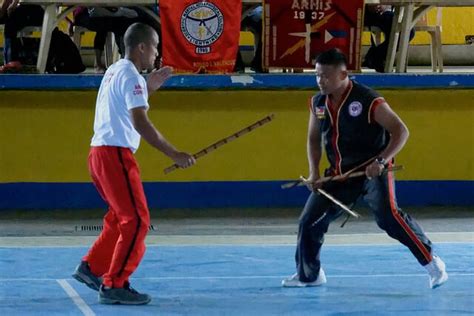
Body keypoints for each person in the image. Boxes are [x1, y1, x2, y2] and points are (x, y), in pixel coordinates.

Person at [281, 48, 448, 289]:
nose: (320, 81)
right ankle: (310, 275)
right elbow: (313, 139)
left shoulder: (368, 99)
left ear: (344, 74)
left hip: (374, 169)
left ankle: (433, 263)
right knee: (309, 220)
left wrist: (380, 161)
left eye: (326, 76)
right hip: (340, 173)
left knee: (388, 217)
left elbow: (401, 131)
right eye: (317, 76)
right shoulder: (318, 103)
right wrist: (314, 172)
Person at [72, 22, 196, 305]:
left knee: (119, 218)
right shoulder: (131, 77)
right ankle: (114, 284)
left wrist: (148, 87)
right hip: (115, 155)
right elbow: (140, 122)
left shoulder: (116, 70)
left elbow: (124, 105)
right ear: (142, 47)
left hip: (98, 154)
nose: (156, 54)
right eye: (154, 47)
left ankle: (92, 267)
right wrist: (174, 153)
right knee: (138, 221)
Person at [363, 4, 415, 72]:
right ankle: (375, 57)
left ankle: (374, 56)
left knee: (408, 30)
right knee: (407, 30)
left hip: (388, 12)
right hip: (368, 13)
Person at [0, 0, 43, 72]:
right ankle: (9, 62)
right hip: (28, 8)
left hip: (36, 10)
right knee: (8, 18)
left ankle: (11, 62)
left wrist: (13, 5)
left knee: (10, 23)